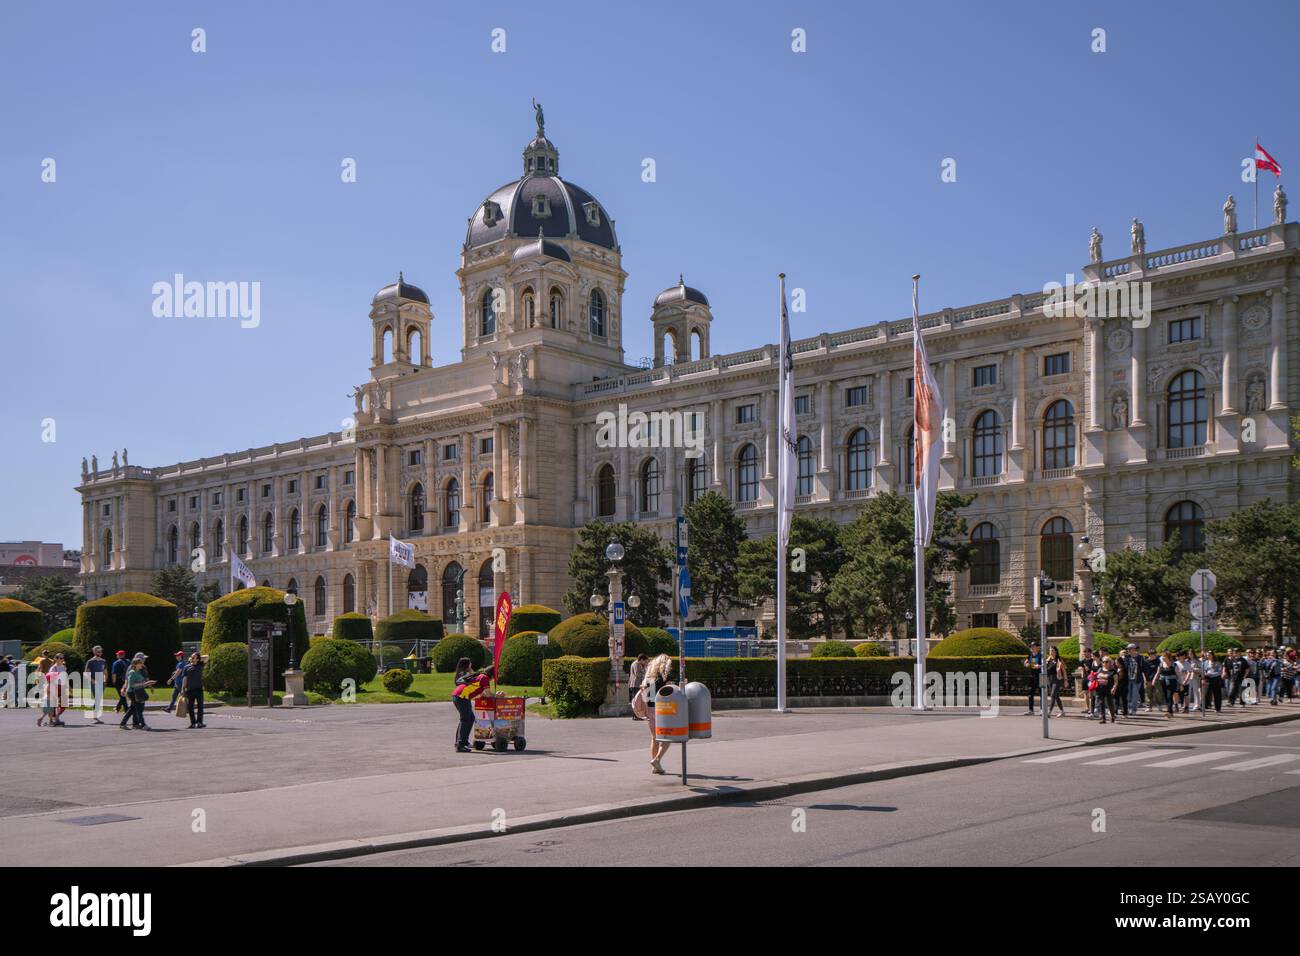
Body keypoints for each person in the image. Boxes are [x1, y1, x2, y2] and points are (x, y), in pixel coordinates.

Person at [451, 659, 493, 753]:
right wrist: (497, 696)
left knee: (470, 718)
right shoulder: (485, 678)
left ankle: (463, 741)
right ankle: (460, 745)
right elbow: (488, 694)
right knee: (465, 719)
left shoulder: (481, 676)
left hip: (459, 695)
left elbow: (477, 689)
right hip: (462, 696)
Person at [641, 653, 674, 774]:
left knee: (654, 738)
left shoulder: (649, 677)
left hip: (650, 710)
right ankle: (657, 759)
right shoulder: (663, 678)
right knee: (667, 737)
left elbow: (646, 697)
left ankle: (655, 766)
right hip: (661, 710)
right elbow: (670, 693)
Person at [119, 656, 155, 730]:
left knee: (132, 709)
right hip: (132, 692)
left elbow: (141, 681)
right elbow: (131, 684)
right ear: (135, 664)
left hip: (138, 691)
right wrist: (145, 684)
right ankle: (143, 725)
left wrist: (147, 684)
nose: (142, 664)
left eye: (142, 663)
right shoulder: (132, 672)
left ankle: (123, 724)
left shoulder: (138, 672)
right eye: (140, 663)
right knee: (138, 709)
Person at [182, 652, 207, 728]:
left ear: (197, 659)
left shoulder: (200, 665)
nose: (191, 658)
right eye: (191, 657)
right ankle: (193, 723)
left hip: (199, 689)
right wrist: (183, 689)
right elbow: (185, 678)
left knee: (200, 707)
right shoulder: (186, 667)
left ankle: (199, 723)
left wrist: (199, 657)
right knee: (190, 707)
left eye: (193, 657)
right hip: (190, 690)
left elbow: (207, 657)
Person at [84, 645, 108, 723]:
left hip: (102, 682)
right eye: (98, 651)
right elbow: (86, 673)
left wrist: (105, 680)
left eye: (101, 651)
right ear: (94, 652)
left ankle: (95, 717)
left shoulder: (103, 661)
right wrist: (93, 681)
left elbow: (105, 671)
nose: (100, 653)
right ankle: (95, 717)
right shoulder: (90, 661)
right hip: (94, 683)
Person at [1156, 652, 1180, 718]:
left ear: (1168, 657)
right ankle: (1170, 711)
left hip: (1172, 682)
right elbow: (1158, 673)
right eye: (1162, 656)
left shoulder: (1174, 665)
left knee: (1169, 696)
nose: (1162, 658)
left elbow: (1178, 675)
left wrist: (1180, 684)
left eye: (1164, 656)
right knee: (1166, 696)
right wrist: (1153, 680)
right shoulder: (1161, 664)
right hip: (1163, 681)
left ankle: (1168, 711)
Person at [1045, 646, 1066, 717]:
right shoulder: (1048, 659)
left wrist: (1066, 680)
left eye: (1053, 650)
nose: (1051, 652)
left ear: (1056, 652)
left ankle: (1049, 712)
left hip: (1057, 679)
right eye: (1050, 650)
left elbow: (1064, 670)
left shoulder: (1059, 659)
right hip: (1049, 679)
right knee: (1056, 696)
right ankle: (1062, 711)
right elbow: (1043, 668)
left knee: (1052, 695)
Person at [1093, 658, 1117, 724]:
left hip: (1109, 689)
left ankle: (1112, 716)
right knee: (1101, 703)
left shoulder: (1113, 671)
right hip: (1100, 689)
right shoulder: (1100, 669)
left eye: (1106, 662)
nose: (1105, 663)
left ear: (1110, 662)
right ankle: (1103, 718)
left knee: (1110, 703)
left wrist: (1114, 688)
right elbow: (1095, 677)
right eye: (1103, 662)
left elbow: (1116, 681)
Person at [1024, 642, 1042, 716]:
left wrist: (1039, 666)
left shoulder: (1041, 656)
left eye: (1033, 646)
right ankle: (1031, 710)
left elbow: (1045, 664)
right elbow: (1025, 663)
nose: (1032, 648)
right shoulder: (1029, 656)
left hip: (1039, 676)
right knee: (1030, 694)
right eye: (1031, 646)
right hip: (1031, 677)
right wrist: (1026, 664)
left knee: (1042, 694)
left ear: (1038, 648)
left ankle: (1042, 710)